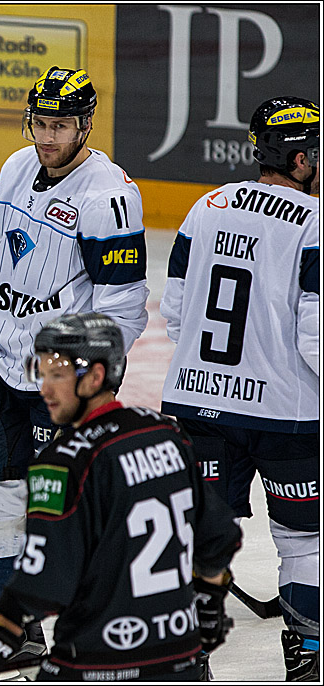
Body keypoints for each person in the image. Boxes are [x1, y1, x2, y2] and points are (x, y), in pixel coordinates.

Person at [0, 313, 243, 682]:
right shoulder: (167, 432)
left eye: (57, 375)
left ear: (96, 377)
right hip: (181, 662)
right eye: (42, 372)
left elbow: (43, 583)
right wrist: (207, 600)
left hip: (97, 664)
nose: (44, 388)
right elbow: (219, 538)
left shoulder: (64, 462)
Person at [0, 65, 150, 651]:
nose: (46, 137)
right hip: (5, 365)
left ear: (86, 126)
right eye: (40, 122)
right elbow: (10, 261)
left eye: (61, 125)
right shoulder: (20, 167)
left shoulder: (109, 196)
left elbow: (124, 307)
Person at [160, 96, 320, 681]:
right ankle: (308, 657)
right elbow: (316, 336)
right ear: (299, 158)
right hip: (287, 416)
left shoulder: (205, 207)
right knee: (304, 540)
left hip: (202, 405)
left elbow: (175, 311)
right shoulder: (313, 223)